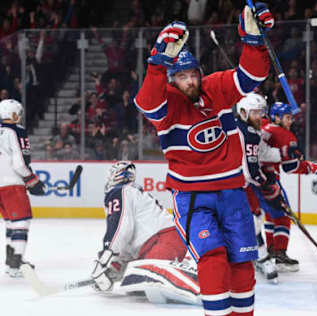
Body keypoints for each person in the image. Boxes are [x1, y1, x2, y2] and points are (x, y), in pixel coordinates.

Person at [133, 3, 274, 315]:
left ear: (200, 73)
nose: (189, 82)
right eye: (180, 76)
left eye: (192, 74)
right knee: (212, 259)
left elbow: (251, 76)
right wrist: (157, 64)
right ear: (171, 80)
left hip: (233, 192)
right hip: (193, 197)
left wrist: (253, 41)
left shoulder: (216, 88)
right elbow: (146, 101)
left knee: (241, 261)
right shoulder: (167, 103)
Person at [91, 161, 200, 304]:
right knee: (135, 284)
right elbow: (130, 237)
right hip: (163, 241)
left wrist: (105, 257)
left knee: (150, 278)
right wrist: (117, 266)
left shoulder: (119, 192)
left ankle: (201, 288)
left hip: (164, 239)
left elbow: (121, 226)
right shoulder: (130, 191)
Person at [262, 102, 317, 272]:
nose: (290, 122)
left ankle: (269, 252)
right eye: (287, 118)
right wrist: (309, 167)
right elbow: (290, 167)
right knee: (282, 217)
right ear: (276, 117)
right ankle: (280, 255)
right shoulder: (283, 134)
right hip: (269, 179)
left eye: (291, 118)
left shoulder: (265, 127)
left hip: (252, 179)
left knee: (269, 215)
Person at [235, 93, 282, 283]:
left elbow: (262, 152)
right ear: (244, 112)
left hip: (241, 183)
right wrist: (263, 181)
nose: (259, 116)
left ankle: (258, 256)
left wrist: (283, 154)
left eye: (260, 112)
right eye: (255, 113)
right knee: (250, 221)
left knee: (254, 219)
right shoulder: (245, 132)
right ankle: (260, 257)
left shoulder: (251, 131)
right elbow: (249, 169)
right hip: (235, 183)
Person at [0, 99, 45, 277]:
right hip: (12, 185)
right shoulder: (14, 131)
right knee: (21, 222)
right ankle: (15, 265)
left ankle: (11, 261)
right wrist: (32, 179)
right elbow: (19, 163)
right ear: (12, 114)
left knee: (11, 223)